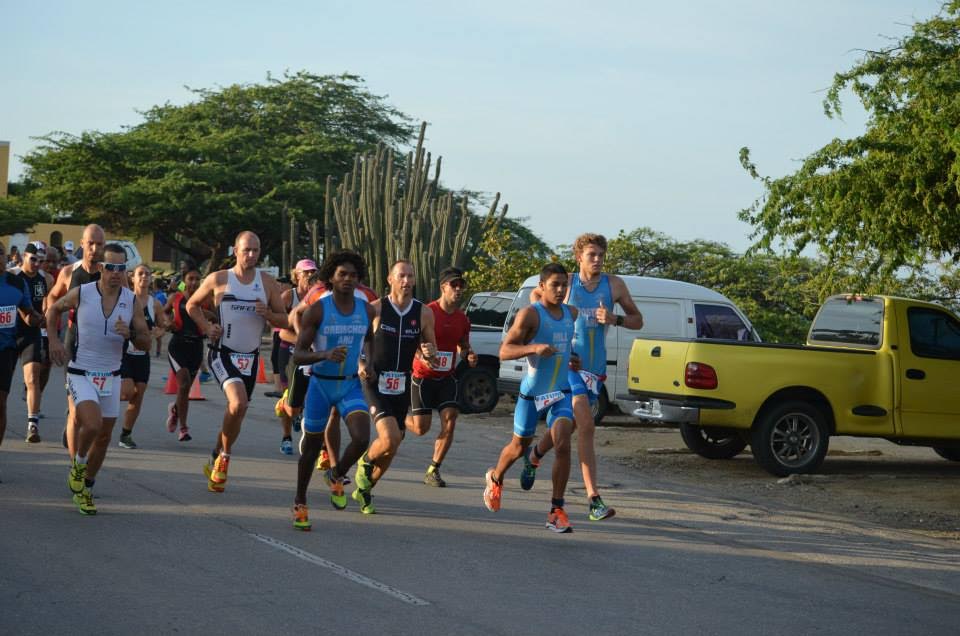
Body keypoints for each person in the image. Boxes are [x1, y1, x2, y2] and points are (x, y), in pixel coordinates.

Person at [523, 234, 644, 522]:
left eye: (601, 254)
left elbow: (638, 320)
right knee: (588, 425)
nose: (598, 259)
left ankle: (534, 455)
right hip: (569, 366)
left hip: (595, 370)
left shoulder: (614, 285)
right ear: (579, 257)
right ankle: (594, 499)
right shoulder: (566, 283)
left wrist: (616, 320)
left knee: (569, 430)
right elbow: (534, 298)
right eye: (592, 254)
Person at [47, 243, 151, 514]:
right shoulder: (83, 293)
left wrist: (131, 334)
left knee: (104, 437)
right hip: (81, 372)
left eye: (121, 268)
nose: (116, 273)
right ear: (102, 269)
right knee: (91, 425)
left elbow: (146, 343)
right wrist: (54, 341)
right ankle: (78, 467)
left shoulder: (131, 302)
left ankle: (87, 488)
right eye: (111, 267)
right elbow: (53, 309)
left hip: (112, 375)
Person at [188, 231, 288, 493]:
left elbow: (285, 320)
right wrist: (206, 327)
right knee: (238, 402)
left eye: (256, 250)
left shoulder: (267, 283)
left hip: (251, 358)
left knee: (238, 411)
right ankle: (225, 458)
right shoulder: (219, 279)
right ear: (235, 250)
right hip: (222, 353)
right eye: (247, 250)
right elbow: (192, 305)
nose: (252, 255)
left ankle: (215, 453)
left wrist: (268, 314)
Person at [484, 262, 578, 533]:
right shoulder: (530, 315)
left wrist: (572, 358)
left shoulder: (571, 313)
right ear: (542, 286)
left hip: (561, 392)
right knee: (517, 447)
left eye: (564, 285)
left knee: (562, 445)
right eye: (554, 285)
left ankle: (556, 510)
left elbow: (562, 348)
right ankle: (496, 477)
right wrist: (534, 347)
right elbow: (504, 351)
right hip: (533, 394)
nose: (561, 290)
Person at [290, 251, 375, 530]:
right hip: (321, 385)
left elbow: (369, 338)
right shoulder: (319, 309)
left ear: (359, 278)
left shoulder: (367, 310)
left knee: (362, 438)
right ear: (330, 278)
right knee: (312, 448)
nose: (348, 279)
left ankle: (336, 474)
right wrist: (324, 354)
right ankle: (300, 501)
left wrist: (369, 362)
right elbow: (298, 355)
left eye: (353, 275)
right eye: (342, 274)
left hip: (350, 383)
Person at [353, 259, 438, 514]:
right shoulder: (375, 309)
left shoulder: (423, 313)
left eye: (410, 276)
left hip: (401, 384)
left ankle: (365, 491)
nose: (407, 281)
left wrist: (429, 352)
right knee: (389, 437)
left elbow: (430, 354)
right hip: (374, 380)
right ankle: (365, 462)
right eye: (401, 276)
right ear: (390, 279)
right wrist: (361, 363)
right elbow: (357, 343)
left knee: (393, 446)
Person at [406, 267, 477, 487]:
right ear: (443, 287)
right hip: (423, 376)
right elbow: (412, 340)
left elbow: (462, 345)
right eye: (453, 285)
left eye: (461, 286)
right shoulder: (427, 312)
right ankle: (398, 416)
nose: (458, 289)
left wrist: (469, 354)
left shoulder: (462, 319)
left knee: (450, 419)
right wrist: (422, 356)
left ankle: (433, 469)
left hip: (447, 377)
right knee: (420, 428)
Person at [47, 225, 106, 451]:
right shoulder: (69, 272)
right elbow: (52, 299)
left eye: (99, 244)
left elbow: (127, 307)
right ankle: (73, 422)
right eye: (90, 243)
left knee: (95, 401)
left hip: (102, 346)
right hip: (74, 340)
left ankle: (76, 419)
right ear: (82, 244)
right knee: (75, 399)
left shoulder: (112, 274)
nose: (94, 248)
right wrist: (52, 336)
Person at [0, 242, 43, 481]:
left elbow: (27, 314)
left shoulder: (17, 283)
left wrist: (38, 318)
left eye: (0, 254)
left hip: (4, 350)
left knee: (0, 404)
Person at [117, 265, 166, 449]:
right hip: (125, 352)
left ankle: (125, 435)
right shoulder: (125, 298)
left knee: (138, 396)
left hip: (142, 355)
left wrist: (158, 333)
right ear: (132, 278)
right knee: (126, 392)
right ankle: (95, 402)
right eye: (140, 274)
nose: (144, 276)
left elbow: (162, 326)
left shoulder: (155, 304)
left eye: (147, 273)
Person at [273, 260, 318, 454]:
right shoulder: (287, 297)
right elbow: (281, 332)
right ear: (296, 275)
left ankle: (314, 440)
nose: (309, 275)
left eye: (313, 272)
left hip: (309, 353)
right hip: (287, 350)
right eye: (306, 272)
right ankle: (286, 437)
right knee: (289, 398)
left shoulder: (318, 296)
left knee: (308, 396)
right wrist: (302, 340)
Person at [16, 243, 55, 443]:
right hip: (10, 334)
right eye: (33, 259)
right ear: (24, 256)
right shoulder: (13, 277)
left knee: (33, 377)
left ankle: (33, 424)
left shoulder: (46, 279)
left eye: (41, 261)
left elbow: (51, 304)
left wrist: (46, 322)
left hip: (32, 333)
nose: (37, 264)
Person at [163, 265, 207, 441]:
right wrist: (168, 322)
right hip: (178, 346)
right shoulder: (176, 297)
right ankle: (183, 428)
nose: (194, 282)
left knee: (186, 389)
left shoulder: (205, 300)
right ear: (184, 280)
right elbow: (164, 313)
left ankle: (175, 410)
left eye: (197, 279)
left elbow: (214, 316)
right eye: (191, 279)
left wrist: (209, 321)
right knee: (183, 384)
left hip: (196, 347)